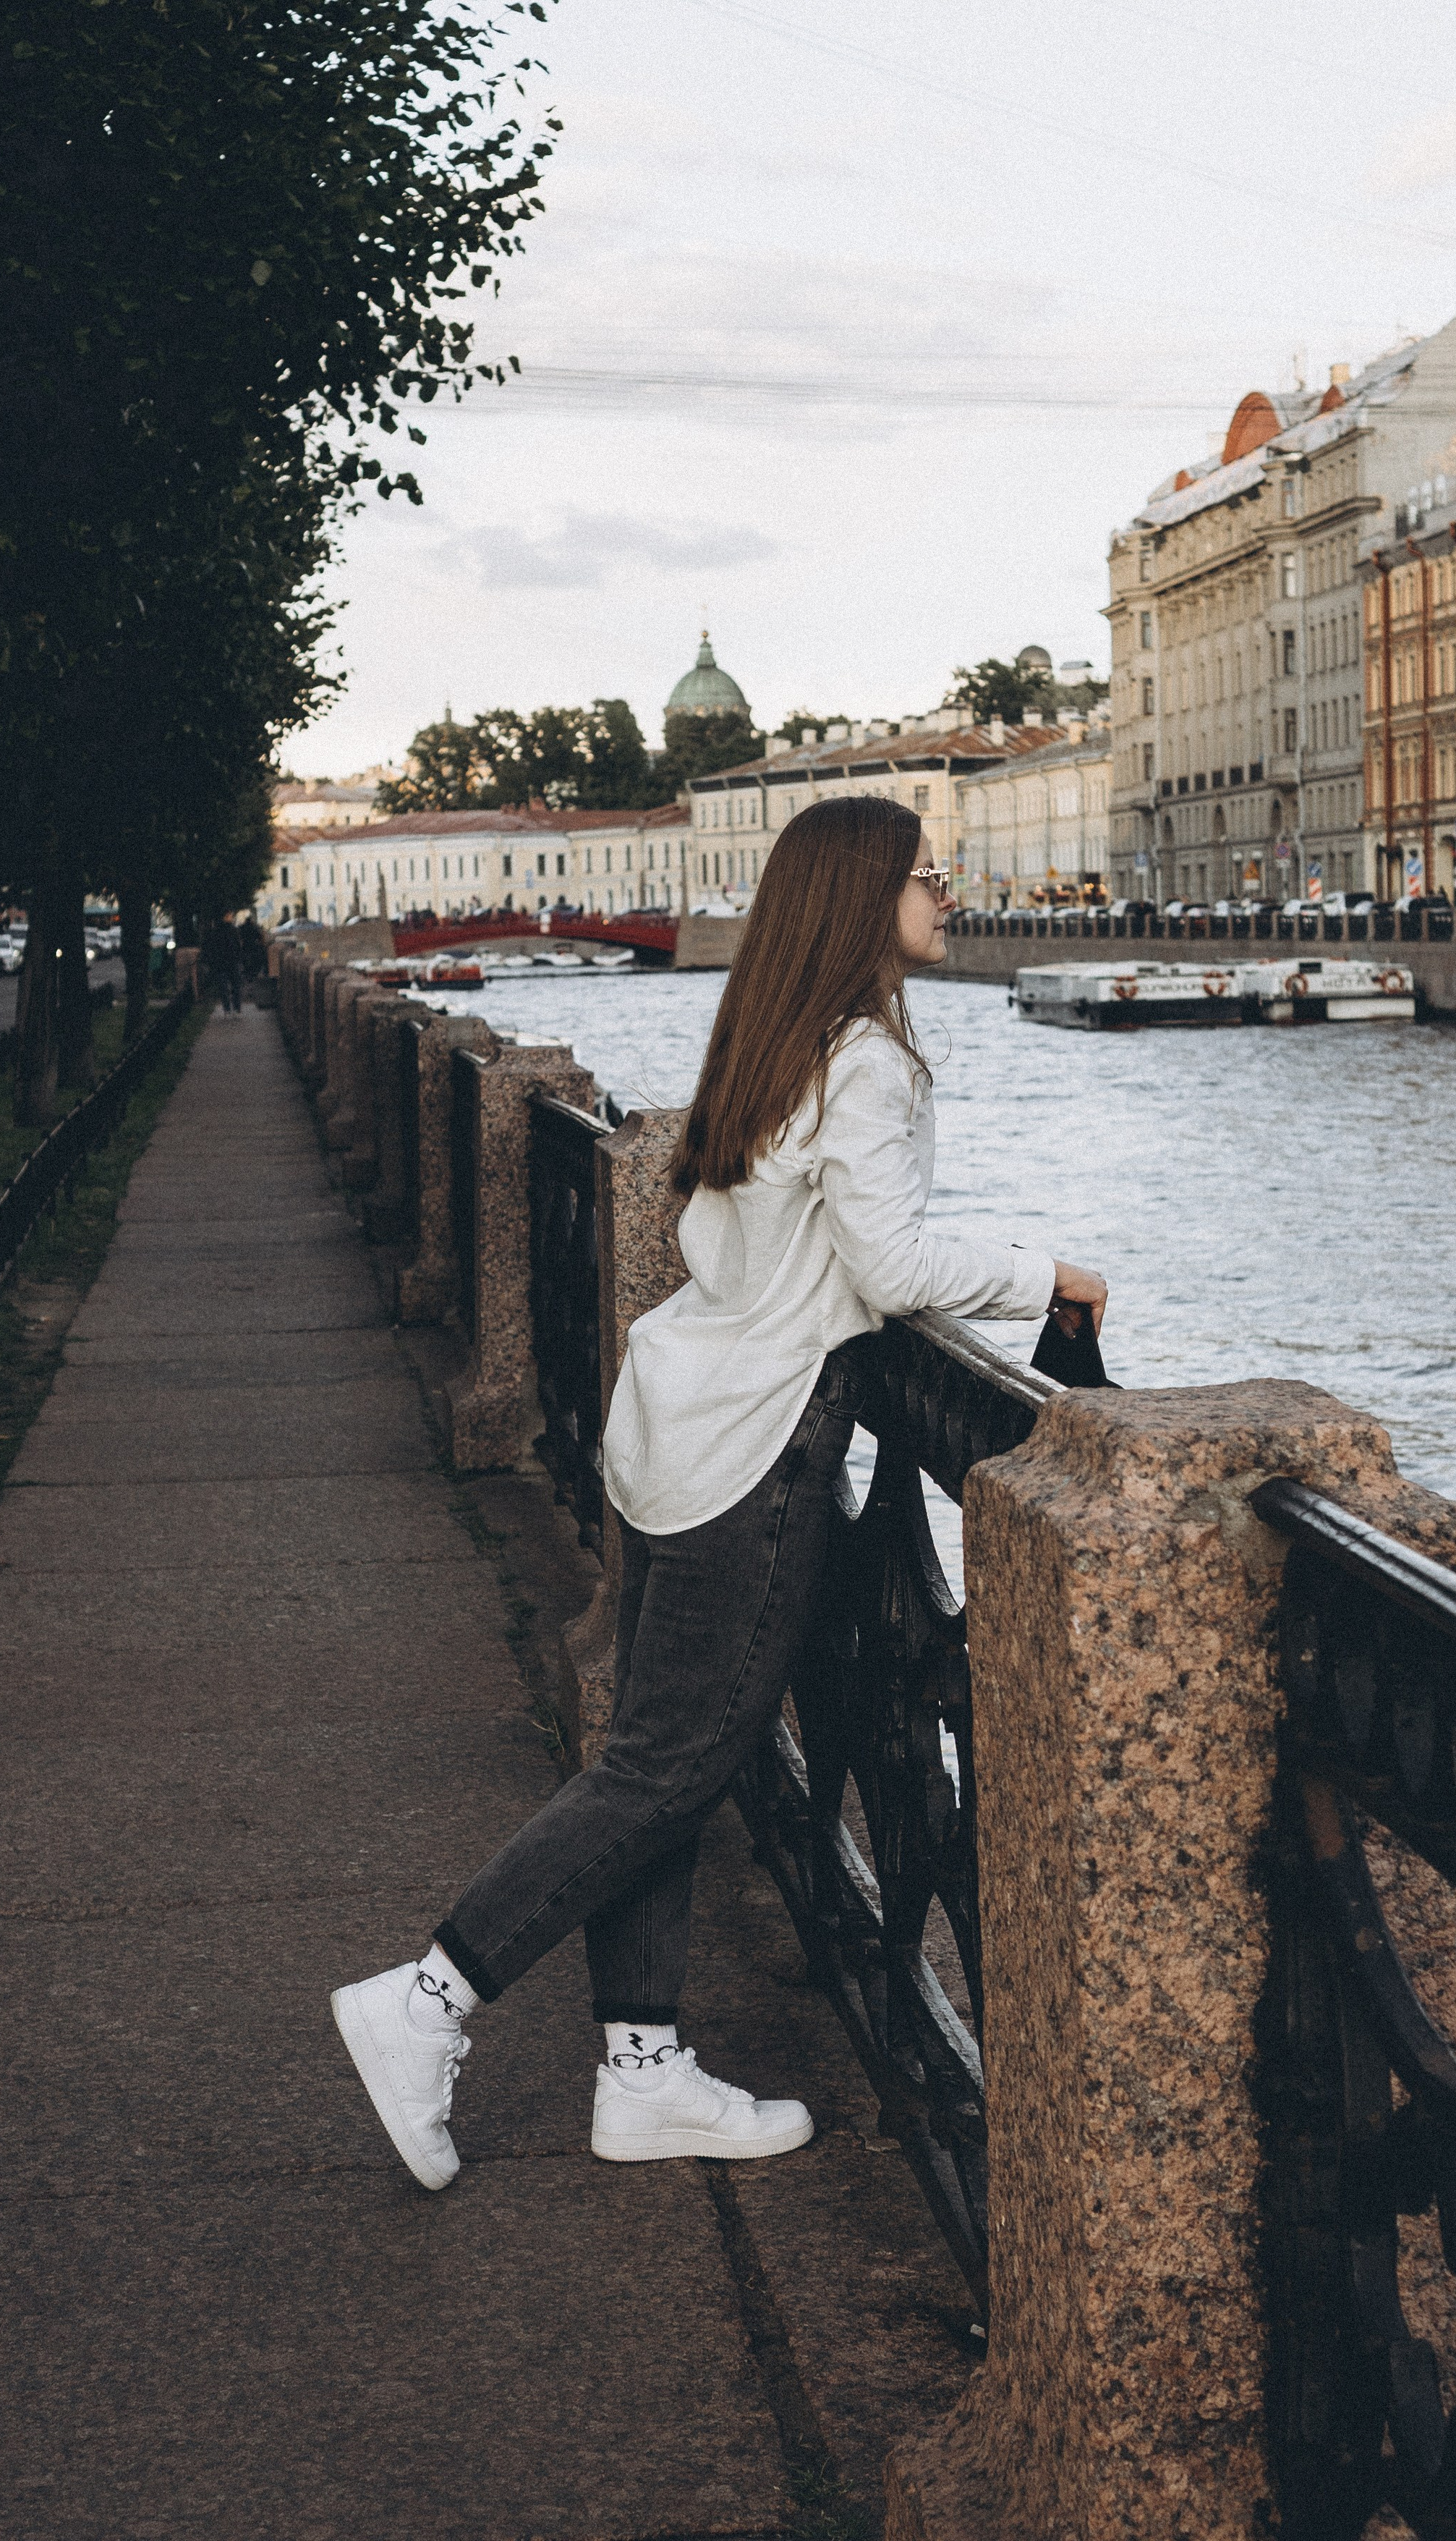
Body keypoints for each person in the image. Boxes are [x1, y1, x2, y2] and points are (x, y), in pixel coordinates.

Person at [331, 797, 1108, 2189]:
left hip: (670, 1421)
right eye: (928, 874)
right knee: (670, 1765)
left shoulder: (771, 1042)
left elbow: (719, 1229)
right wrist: (1044, 1273)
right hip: (754, 1448)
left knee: (658, 1756)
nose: (951, 889)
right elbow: (887, 1266)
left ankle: (642, 2071)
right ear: (862, 900)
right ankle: (428, 1998)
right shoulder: (866, 1059)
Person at [205, 915, 244, 1016]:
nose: (231, 917)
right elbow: (238, 946)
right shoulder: (233, 930)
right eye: (229, 915)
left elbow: (211, 948)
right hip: (232, 962)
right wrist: (239, 959)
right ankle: (237, 1008)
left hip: (220, 963)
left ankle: (227, 1009)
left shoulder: (215, 931)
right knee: (235, 985)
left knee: (223, 987)